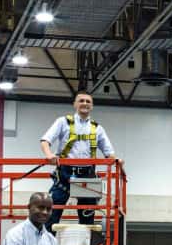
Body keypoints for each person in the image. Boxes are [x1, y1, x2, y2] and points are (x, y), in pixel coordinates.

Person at [40, 90, 117, 232]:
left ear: (92, 106)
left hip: (87, 174)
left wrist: (117, 161)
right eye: (81, 101)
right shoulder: (62, 122)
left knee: (87, 218)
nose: (85, 104)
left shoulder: (97, 128)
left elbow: (109, 153)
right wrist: (49, 154)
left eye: (88, 101)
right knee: (52, 214)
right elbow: (45, 140)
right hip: (64, 175)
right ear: (75, 104)